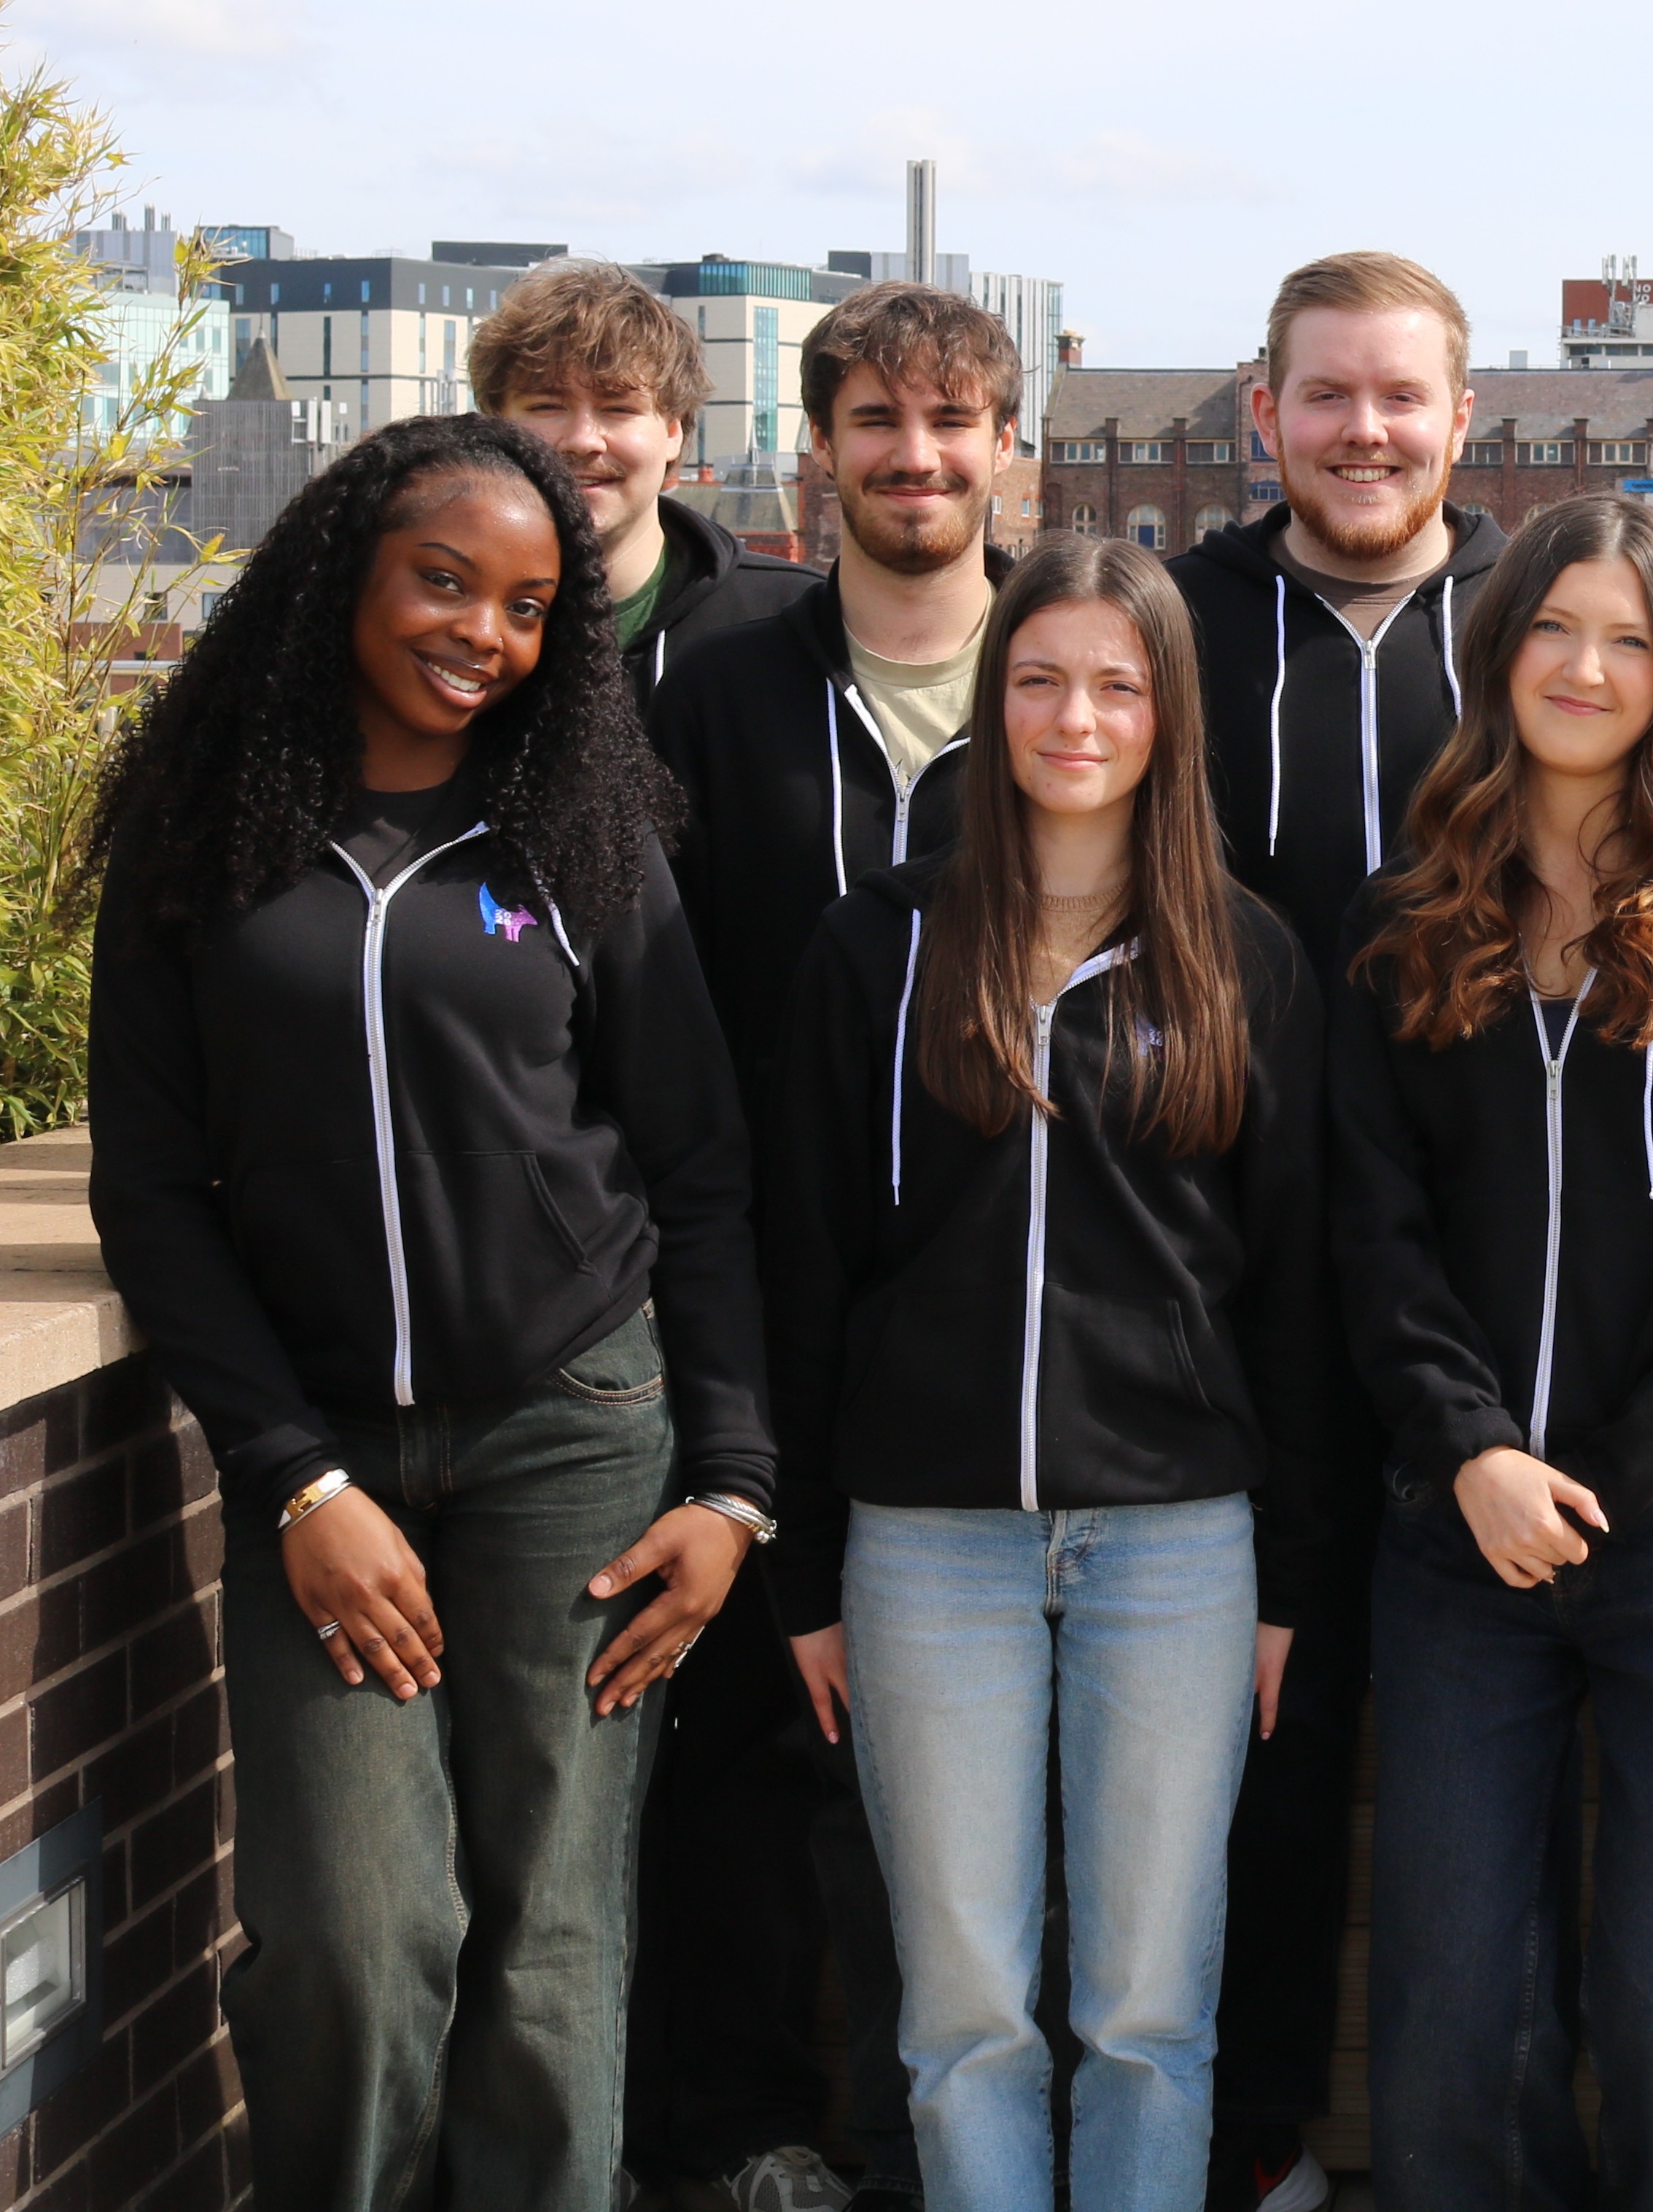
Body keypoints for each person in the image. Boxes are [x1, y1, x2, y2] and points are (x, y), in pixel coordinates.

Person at [83, 413, 771, 2212]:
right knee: (350, 1935)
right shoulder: (207, 832)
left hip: (575, 1430)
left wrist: (733, 1483)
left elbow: (698, 1166)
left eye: (530, 606)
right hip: (321, 1455)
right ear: (346, 573)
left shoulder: (578, 836)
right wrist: (293, 1476)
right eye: (445, 581)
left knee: (549, 1939)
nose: (483, 632)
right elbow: (150, 1189)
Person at [758, 538, 1338, 2212]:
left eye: (1116, 684)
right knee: (965, 2014)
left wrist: (1289, 1581)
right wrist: (806, 1569)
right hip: (927, 1543)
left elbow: (1298, 1299)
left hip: (1179, 1542)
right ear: (992, 698)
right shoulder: (877, 948)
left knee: (1149, 2007)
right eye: (1039, 678)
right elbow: (805, 1271)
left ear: (1168, 713)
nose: (1075, 716)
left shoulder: (1244, 956)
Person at [1334, 493, 1653, 2211]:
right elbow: (1373, 1219)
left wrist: (1609, 1480)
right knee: (1457, 2008)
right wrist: (1471, 1445)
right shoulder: (1411, 900)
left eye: (1628, 638)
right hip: (1459, 1527)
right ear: (1499, 648)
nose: (1585, 666)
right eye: (1554, 626)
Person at [641, 277, 1027, 2212]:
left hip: (1005, 1304)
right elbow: (648, 991)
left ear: (1006, 448)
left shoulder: (1075, 676)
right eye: (875, 420)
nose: (914, 456)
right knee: (743, 1728)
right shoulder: (720, 687)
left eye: (950, 423)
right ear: (817, 449)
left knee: (973, 1764)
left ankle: (937, 2149)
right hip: (751, 1277)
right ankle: (742, 2135)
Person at [1168, 253, 1504, 2212]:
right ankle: (1257, 2138)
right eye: (1326, 395)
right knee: (1264, 1736)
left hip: (1495, 1281)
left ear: (1464, 417)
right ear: (1265, 414)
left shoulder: (1542, 628)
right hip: (1230, 1277)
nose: (1364, 431)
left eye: (1400, 396)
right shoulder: (1175, 627)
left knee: (1496, 1745)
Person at [472, 257, 820, 699]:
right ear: (493, 425)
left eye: (618, 408)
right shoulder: (440, 622)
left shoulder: (793, 622)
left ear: (674, 432)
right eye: (547, 406)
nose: (583, 440)